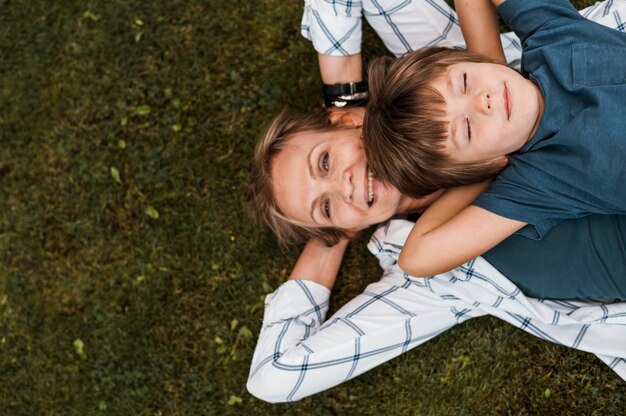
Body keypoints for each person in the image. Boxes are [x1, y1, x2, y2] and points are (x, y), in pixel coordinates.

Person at [247, 0, 626, 403]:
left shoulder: (442, 81)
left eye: (325, 161)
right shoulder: (430, 282)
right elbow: (275, 374)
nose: (345, 186)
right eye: (326, 207)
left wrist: (345, 98)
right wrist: (336, 233)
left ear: (346, 122)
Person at [362, 0, 626, 277]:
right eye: (468, 131)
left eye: (463, 82)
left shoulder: (551, 36)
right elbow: (416, 258)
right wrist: (484, 170)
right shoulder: (538, 181)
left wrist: (489, 60)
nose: (483, 102)